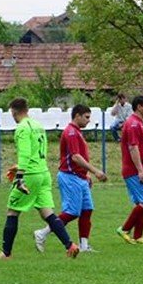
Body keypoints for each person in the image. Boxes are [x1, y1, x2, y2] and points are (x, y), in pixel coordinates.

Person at [0, 97, 79, 259]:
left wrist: (20, 177)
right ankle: (70, 245)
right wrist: (19, 167)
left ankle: (5, 253)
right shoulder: (38, 126)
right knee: (47, 213)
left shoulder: (22, 128)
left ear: (14, 111)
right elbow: (37, 151)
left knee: (12, 211)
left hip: (29, 175)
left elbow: (25, 153)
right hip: (43, 173)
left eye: (11, 113)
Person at [33, 104, 107, 254]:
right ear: (77, 115)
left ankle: (84, 245)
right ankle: (42, 233)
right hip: (70, 176)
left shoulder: (77, 132)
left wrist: (86, 174)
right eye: (86, 117)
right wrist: (95, 171)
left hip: (80, 177)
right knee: (72, 212)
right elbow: (75, 157)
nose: (88, 121)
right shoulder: (71, 132)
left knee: (87, 210)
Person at [116, 95, 143, 246]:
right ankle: (124, 229)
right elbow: (133, 148)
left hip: (139, 169)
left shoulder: (138, 123)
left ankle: (138, 236)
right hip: (133, 170)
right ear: (139, 106)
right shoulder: (132, 124)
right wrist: (140, 170)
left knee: (141, 202)